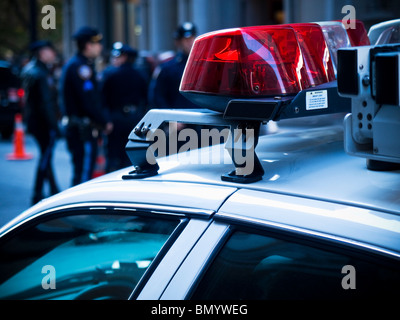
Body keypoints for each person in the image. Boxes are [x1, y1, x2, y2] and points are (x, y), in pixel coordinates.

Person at [60, 26, 113, 186]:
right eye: (97, 43)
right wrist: (104, 122)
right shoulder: (80, 67)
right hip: (81, 129)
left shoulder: (81, 64)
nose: (100, 47)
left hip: (81, 127)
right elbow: (88, 101)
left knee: (83, 171)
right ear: (88, 45)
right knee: (83, 176)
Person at [21, 40, 60, 204]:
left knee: (46, 155)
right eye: (50, 51)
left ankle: (53, 189)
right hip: (43, 123)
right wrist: (54, 125)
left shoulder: (31, 70)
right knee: (45, 156)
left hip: (36, 121)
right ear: (43, 53)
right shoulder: (40, 72)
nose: (53, 54)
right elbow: (46, 103)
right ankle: (37, 193)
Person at [101, 42, 148, 172]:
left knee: (114, 156)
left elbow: (102, 99)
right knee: (132, 155)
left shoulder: (109, 74)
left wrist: (106, 120)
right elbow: (146, 98)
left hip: (116, 119)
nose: (114, 60)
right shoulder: (140, 74)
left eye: (117, 57)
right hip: (135, 118)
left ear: (124, 57)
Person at [150, 22, 199, 109]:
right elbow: (158, 97)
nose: (190, 43)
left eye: (192, 39)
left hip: (199, 119)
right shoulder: (167, 68)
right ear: (180, 42)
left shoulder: (203, 65)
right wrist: (171, 119)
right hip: (174, 118)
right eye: (186, 40)